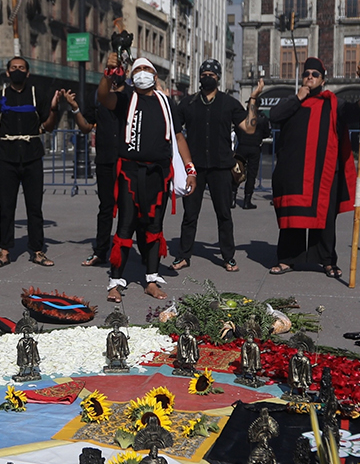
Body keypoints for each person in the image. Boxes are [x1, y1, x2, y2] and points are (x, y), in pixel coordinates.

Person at [101, 56, 190, 302]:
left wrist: (190, 169)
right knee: (125, 225)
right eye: (137, 69)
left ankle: (151, 279)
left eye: (146, 69)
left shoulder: (166, 102)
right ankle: (115, 282)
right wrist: (108, 74)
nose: (142, 73)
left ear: (155, 75)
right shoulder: (125, 98)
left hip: (158, 174)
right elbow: (104, 97)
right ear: (132, 77)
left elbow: (178, 137)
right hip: (129, 172)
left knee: (154, 226)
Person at [267, 56, 356, 278]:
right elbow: (274, 116)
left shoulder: (333, 102)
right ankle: (287, 259)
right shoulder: (293, 101)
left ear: (322, 80)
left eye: (315, 75)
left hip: (325, 171)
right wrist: (298, 98)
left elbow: (352, 114)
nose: (310, 77)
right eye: (306, 74)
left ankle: (327, 260)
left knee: (325, 218)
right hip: (295, 170)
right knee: (293, 216)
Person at [0, 56, 64, 267]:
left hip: (32, 156)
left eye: (21, 68)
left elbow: (48, 126)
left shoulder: (37, 95)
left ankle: (37, 250)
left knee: (35, 207)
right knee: (6, 206)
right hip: (7, 157)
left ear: (27, 72)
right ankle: (5, 251)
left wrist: (53, 108)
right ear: (8, 72)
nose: (18, 70)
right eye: (14, 68)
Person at [175, 57, 259, 272]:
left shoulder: (228, 103)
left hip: (221, 167)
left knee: (224, 214)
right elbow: (174, 128)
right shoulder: (189, 103)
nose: (207, 78)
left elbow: (249, 128)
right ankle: (183, 255)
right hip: (195, 168)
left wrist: (252, 99)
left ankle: (228, 256)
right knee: (190, 214)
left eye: (211, 75)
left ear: (218, 78)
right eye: (204, 75)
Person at [72, 53, 128, 267]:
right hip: (105, 160)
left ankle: (129, 251)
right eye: (113, 69)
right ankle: (101, 251)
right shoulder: (97, 97)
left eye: (120, 69)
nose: (117, 73)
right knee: (106, 207)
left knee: (130, 208)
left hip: (128, 161)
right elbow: (86, 127)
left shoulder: (133, 96)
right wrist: (75, 109)